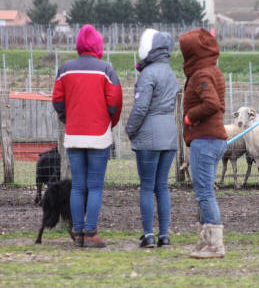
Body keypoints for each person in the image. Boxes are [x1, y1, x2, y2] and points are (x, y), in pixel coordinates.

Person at [52, 24, 123, 247]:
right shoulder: (106, 69)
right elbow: (115, 101)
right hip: (99, 135)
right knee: (95, 186)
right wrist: (109, 123)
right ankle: (91, 232)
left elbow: (57, 100)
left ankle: (78, 232)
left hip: (74, 134)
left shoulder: (65, 69)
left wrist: (67, 119)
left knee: (78, 186)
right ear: (98, 44)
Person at [125, 29, 179, 248]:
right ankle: (164, 235)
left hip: (148, 137)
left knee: (147, 187)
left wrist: (130, 129)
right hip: (169, 135)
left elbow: (141, 108)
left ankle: (148, 234)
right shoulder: (170, 72)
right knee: (162, 186)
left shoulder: (148, 74)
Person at [179, 28, 228, 259]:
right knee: (203, 192)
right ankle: (204, 241)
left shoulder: (201, 75)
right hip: (211, 139)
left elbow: (212, 104)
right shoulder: (212, 70)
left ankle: (215, 245)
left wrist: (190, 117)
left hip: (206, 140)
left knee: (205, 193)